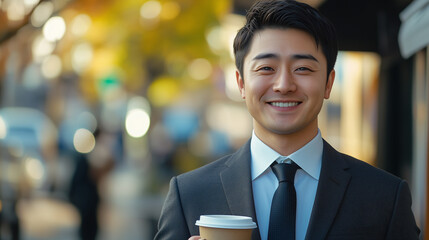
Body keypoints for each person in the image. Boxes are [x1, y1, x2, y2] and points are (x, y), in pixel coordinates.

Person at [154, 0, 421, 239]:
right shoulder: (189, 194)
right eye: (266, 68)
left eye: (302, 68)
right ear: (241, 83)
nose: (283, 85)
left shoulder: (384, 197)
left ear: (328, 83)